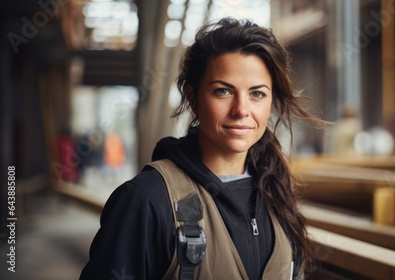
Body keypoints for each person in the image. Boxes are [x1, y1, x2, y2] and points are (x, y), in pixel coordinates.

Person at [80, 17, 324, 280]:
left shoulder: (275, 190)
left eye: (257, 94)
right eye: (223, 91)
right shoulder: (147, 200)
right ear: (193, 97)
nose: (241, 110)